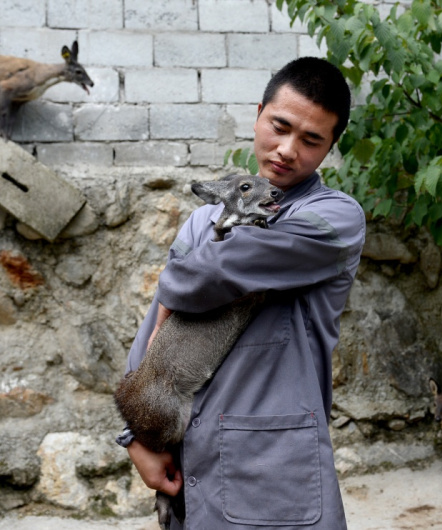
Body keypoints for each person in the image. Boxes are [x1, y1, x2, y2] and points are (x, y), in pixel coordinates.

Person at [117, 57, 365, 529]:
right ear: (258, 114)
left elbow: (214, 272)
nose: (287, 150)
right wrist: (136, 438)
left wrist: (182, 276)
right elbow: (152, 336)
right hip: (191, 462)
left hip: (274, 467)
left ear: (332, 145)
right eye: (280, 126)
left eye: (311, 140)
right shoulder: (200, 220)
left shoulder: (333, 219)